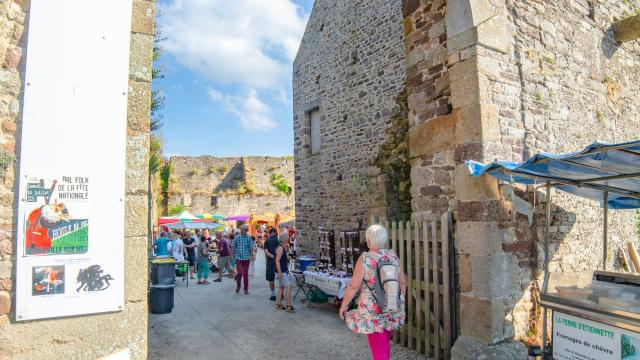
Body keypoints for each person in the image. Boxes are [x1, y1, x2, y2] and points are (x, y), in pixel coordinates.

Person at [339, 225, 406, 360]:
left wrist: (344, 305)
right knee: (384, 343)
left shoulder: (365, 259)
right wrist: (400, 300)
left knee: (379, 352)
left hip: (373, 311)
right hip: (392, 305)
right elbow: (402, 282)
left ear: (369, 241)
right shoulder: (393, 257)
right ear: (384, 240)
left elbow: (353, 286)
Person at [231, 224, 256, 294]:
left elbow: (251, 247)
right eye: (241, 229)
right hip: (239, 258)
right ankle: (238, 285)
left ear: (246, 230)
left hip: (246, 258)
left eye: (244, 230)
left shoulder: (249, 238)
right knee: (239, 273)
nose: (242, 231)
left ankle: (246, 289)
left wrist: (252, 255)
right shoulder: (237, 237)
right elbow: (233, 246)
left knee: (245, 274)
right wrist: (232, 255)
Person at [275, 231, 294, 312]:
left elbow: (279, 259)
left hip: (282, 271)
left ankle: (279, 304)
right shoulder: (280, 248)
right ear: (285, 239)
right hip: (282, 271)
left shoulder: (282, 248)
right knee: (288, 286)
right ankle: (288, 305)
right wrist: (279, 273)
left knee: (281, 287)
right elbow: (277, 261)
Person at [263, 228, 279, 301]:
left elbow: (266, 252)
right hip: (280, 261)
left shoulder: (267, 241)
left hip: (270, 262)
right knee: (280, 277)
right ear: (275, 232)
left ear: (269, 233)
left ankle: (273, 294)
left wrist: (273, 256)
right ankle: (281, 294)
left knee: (271, 278)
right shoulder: (279, 240)